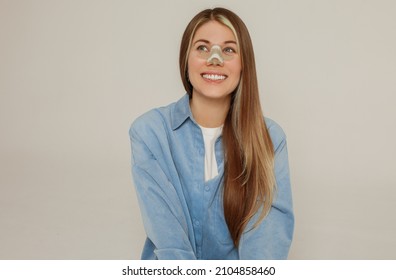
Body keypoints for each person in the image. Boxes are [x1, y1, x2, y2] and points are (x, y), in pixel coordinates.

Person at [129, 7, 294, 260]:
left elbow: (266, 241)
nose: (214, 58)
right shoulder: (149, 132)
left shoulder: (269, 138)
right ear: (186, 59)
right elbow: (168, 235)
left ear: (243, 64)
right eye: (202, 48)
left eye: (228, 49)